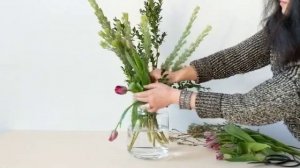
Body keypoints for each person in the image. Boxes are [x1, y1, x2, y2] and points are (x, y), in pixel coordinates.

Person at [134, 0, 300, 140]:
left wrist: (174, 96)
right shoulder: (287, 27)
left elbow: (250, 107)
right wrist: (177, 75)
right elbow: (238, 56)